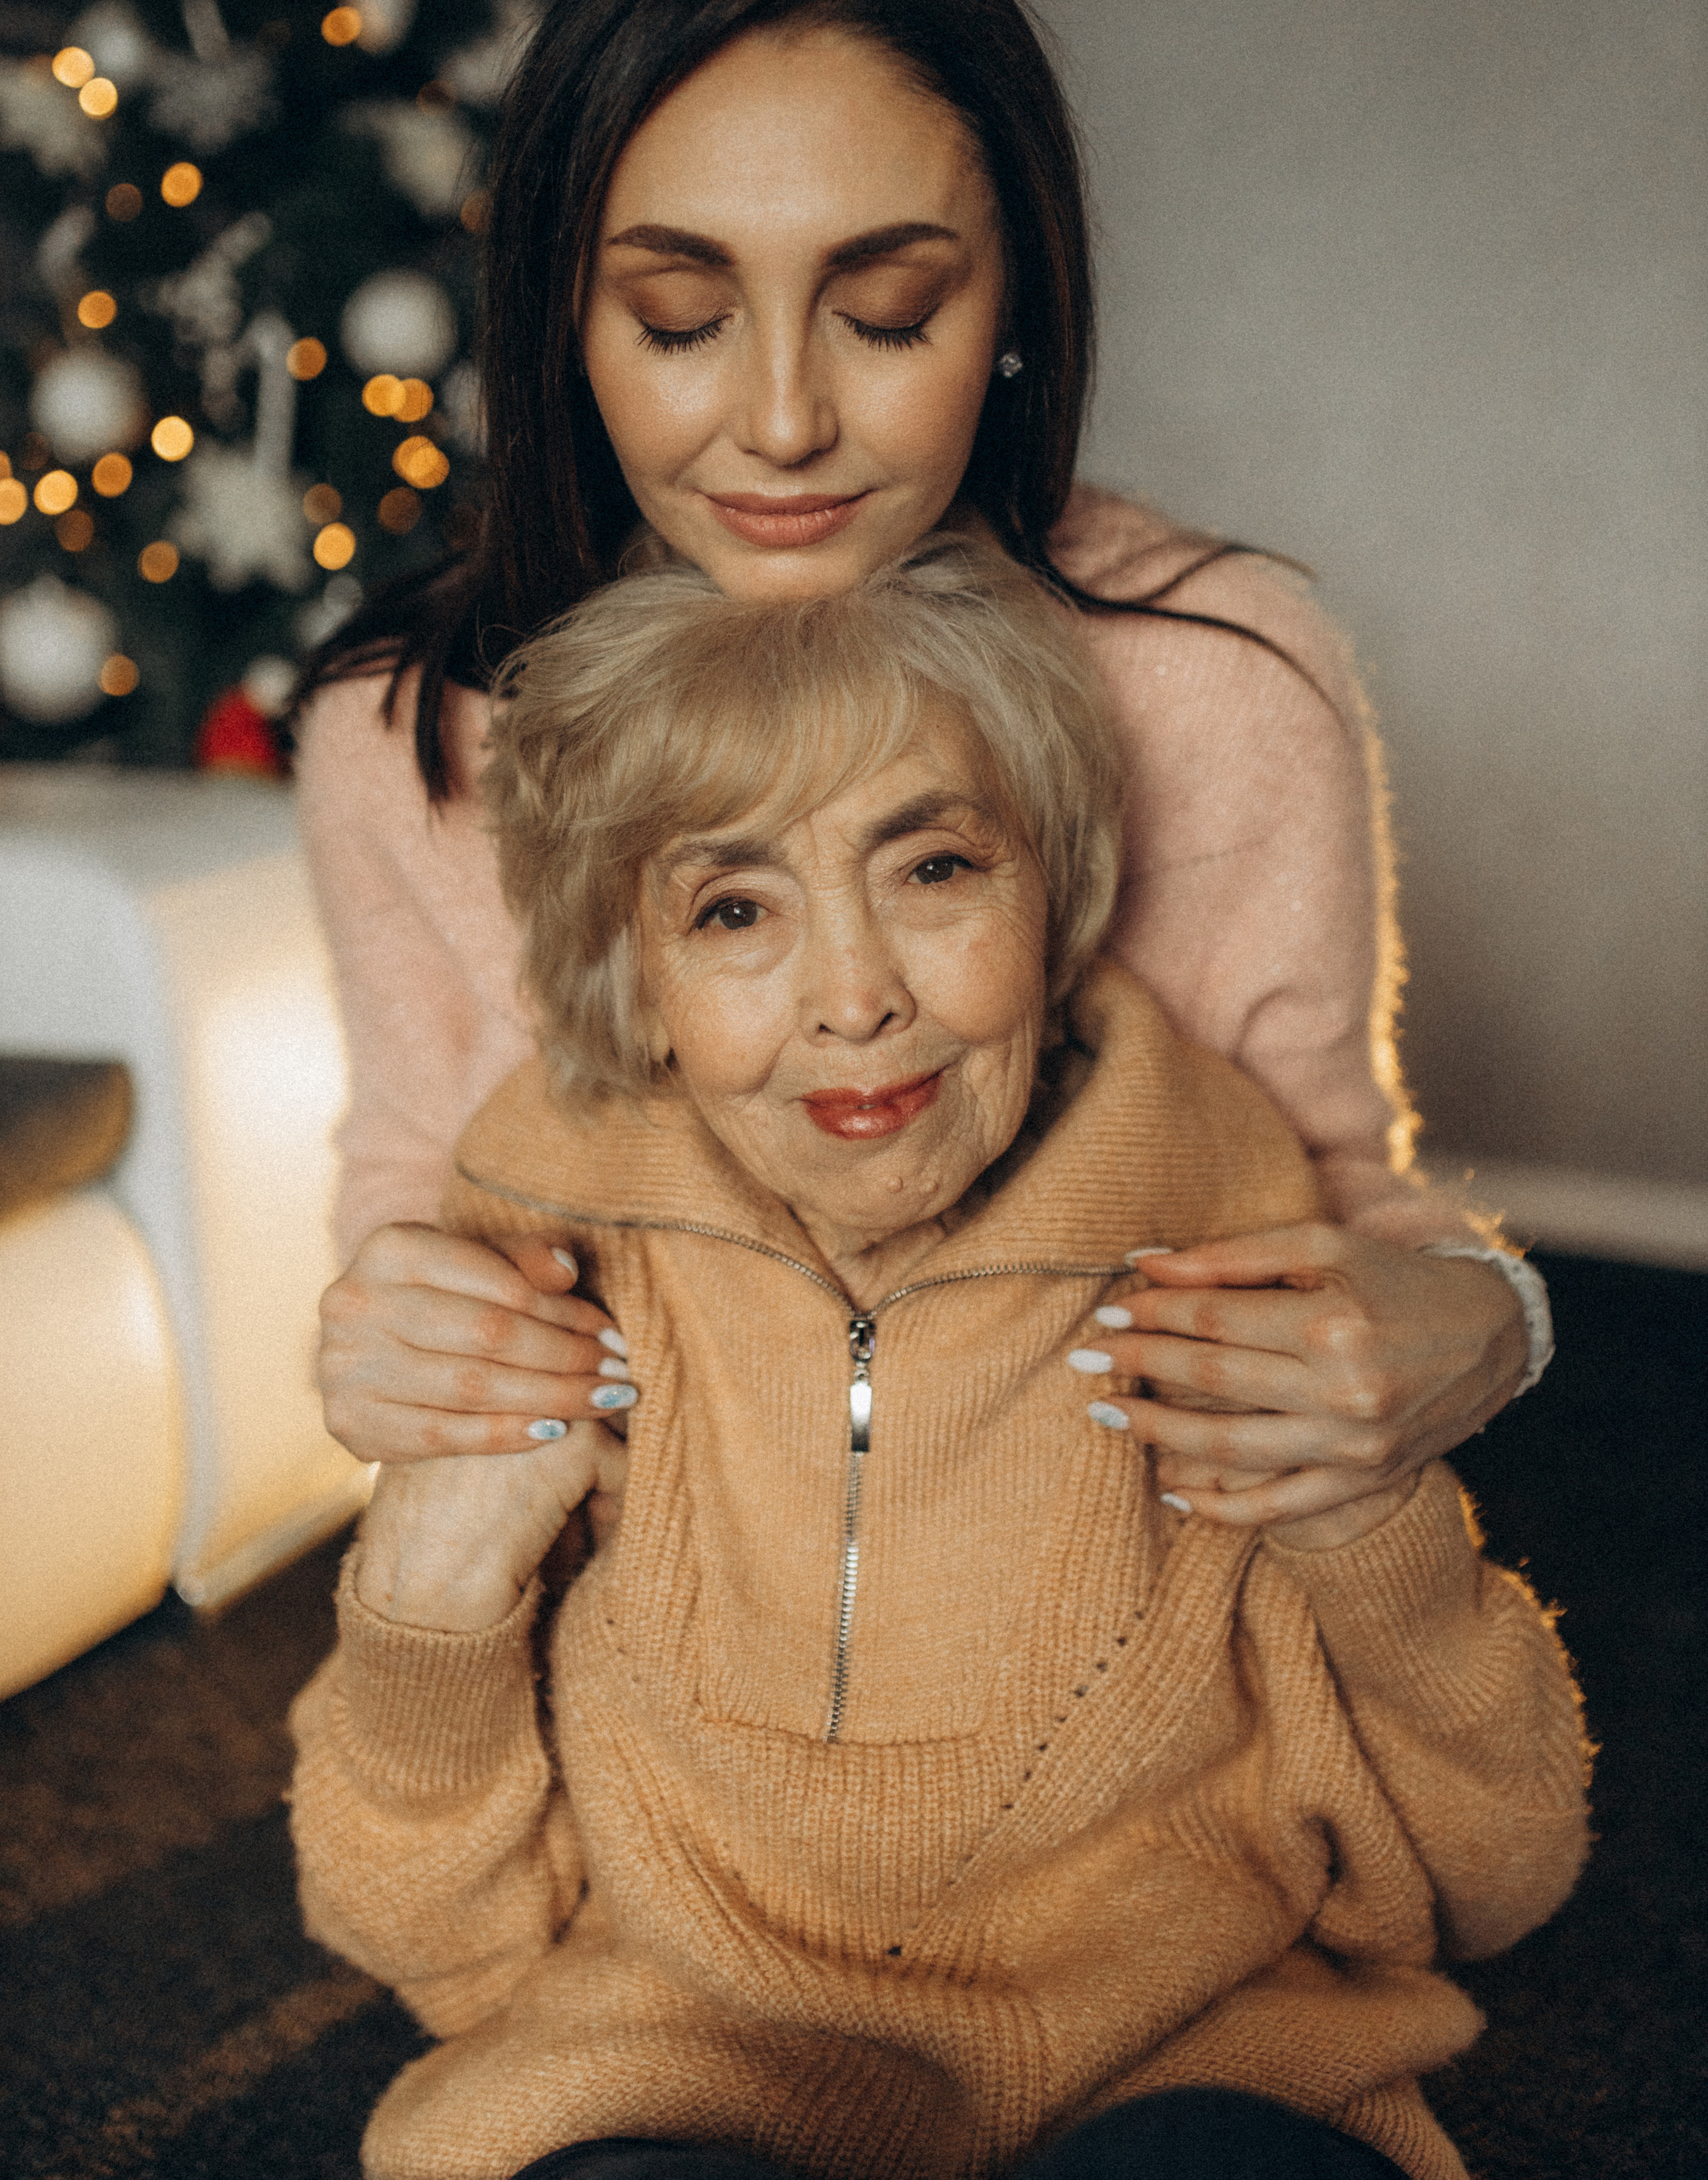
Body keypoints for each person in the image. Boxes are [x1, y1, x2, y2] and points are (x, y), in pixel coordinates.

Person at [288, 549, 1587, 2180]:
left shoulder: (1241, 1256)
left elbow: (1491, 1877)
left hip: (1195, 2058)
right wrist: (431, 1591)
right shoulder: (543, 1256)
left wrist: (1372, 1533)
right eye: (734, 909)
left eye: (932, 870)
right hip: (670, 2068)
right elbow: (426, 1937)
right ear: (639, 982)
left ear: (1052, 899)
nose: (854, 999)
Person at [294, 0, 1547, 1524]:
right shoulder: (410, 730)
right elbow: (413, 1182)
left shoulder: (1216, 678)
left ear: (1011, 298)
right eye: (680, 319)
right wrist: (385, 1337)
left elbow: (1325, 1192)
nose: (784, 421)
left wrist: (1488, 1315)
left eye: (886, 315)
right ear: (561, 325)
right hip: (642, 1613)